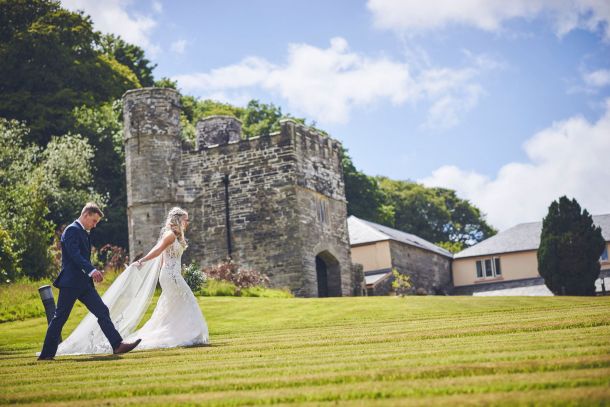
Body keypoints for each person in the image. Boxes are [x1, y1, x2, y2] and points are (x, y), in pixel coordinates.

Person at [38, 203, 141, 360]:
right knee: (60, 318)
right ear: (85, 215)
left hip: (84, 284)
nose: (94, 226)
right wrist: (92, 270)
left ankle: (117, 345)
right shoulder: (72, 230)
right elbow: (75, 255)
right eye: (93, 221)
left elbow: (81, 257)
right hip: (71, 282)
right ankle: (46, 355)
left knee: (102, 311)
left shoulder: (83, 231)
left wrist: (90, 272)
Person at [124, 207, 209, 350]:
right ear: (177, 220)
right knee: (188, 299)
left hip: (171, 275)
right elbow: (157, 251)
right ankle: (189, 334)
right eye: (185, 219)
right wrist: (142, 261)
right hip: (171, 276)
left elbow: (166, 258)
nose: (187, 222)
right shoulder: (169, 235)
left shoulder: (176, 236)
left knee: (175, 305)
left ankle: (183, 333)